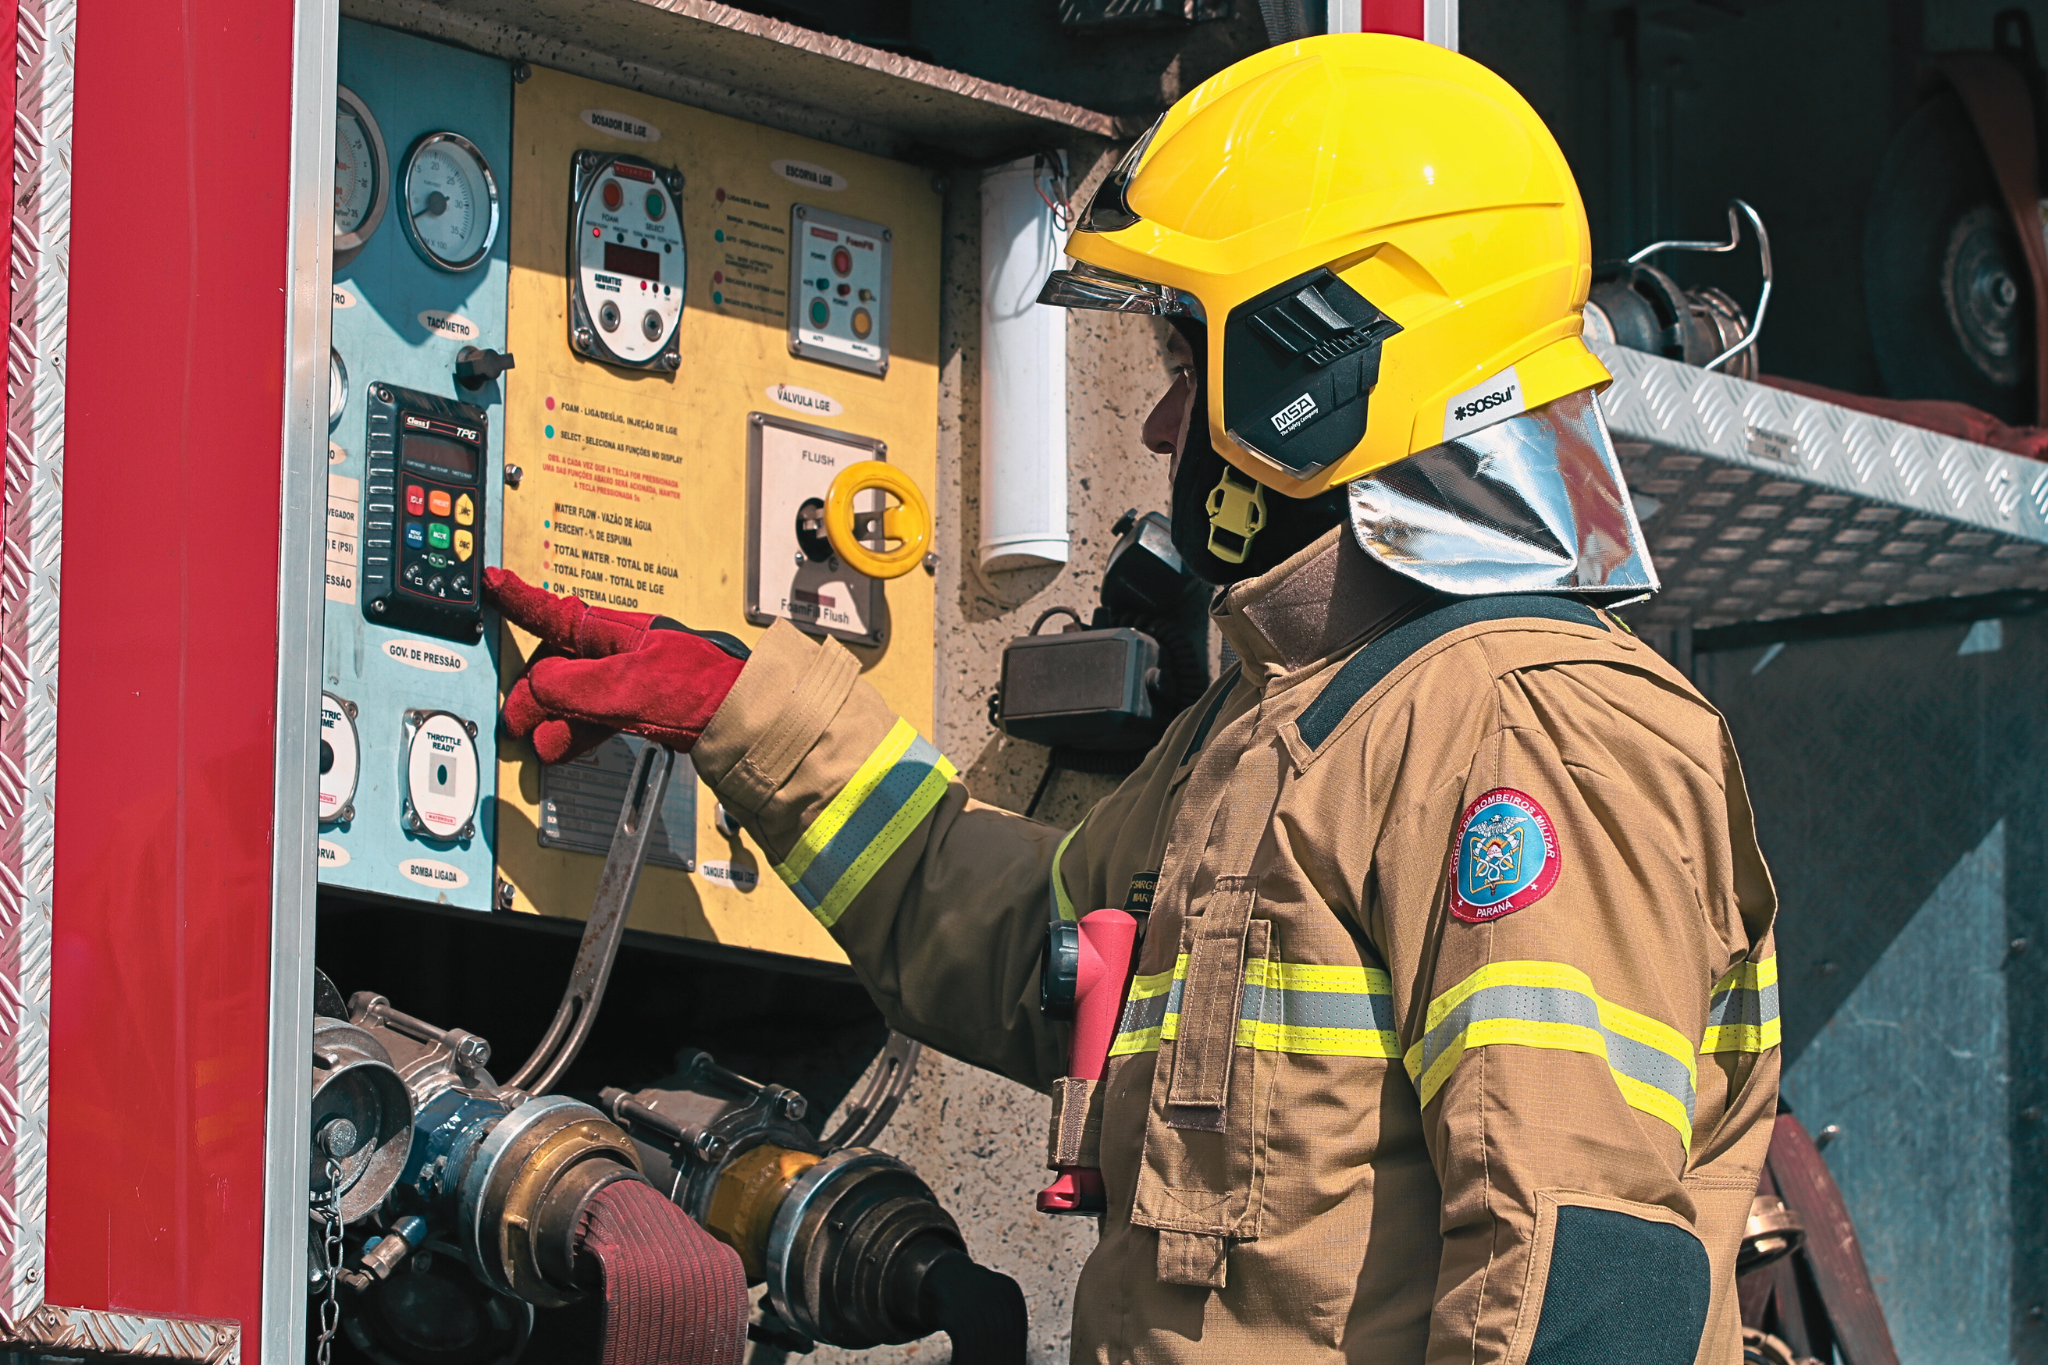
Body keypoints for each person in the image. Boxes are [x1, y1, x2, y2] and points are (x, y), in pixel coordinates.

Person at [484, 33, 1781, 1365]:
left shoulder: (1525, 733)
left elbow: (1586, 1294)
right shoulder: (1283, 731)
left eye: (1188, 367)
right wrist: (736, 708)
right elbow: (1020, 949)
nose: (1160, 428)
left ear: (1319, 370)